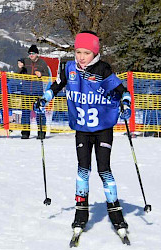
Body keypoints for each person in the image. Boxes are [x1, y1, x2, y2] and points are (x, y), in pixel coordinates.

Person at [34, 31, 132, 234]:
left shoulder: (102, 69)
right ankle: (81, 215)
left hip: (103, 128)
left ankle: (116, 215)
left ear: (94, 52)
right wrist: (44, 99)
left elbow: (122, 91)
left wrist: (125, 103)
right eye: (78, 51)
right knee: (82, 170)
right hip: (82, 129)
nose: (81, 56)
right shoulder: (70, 68)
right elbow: (56, 86)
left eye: (86, 52)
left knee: (104, 169)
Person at [25, 45, 50, 139]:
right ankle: (25, 132)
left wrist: (41, 74)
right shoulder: (26, 62)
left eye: (33, 53)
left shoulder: (42, 63)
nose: (31, 55)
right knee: (25, 112)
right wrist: (20, 66)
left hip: (37, 91)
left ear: (37, 54)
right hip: (26, 90)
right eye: (30, 53)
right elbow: (19, 72)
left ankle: (41, 132)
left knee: (39, 112)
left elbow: (47, 75)